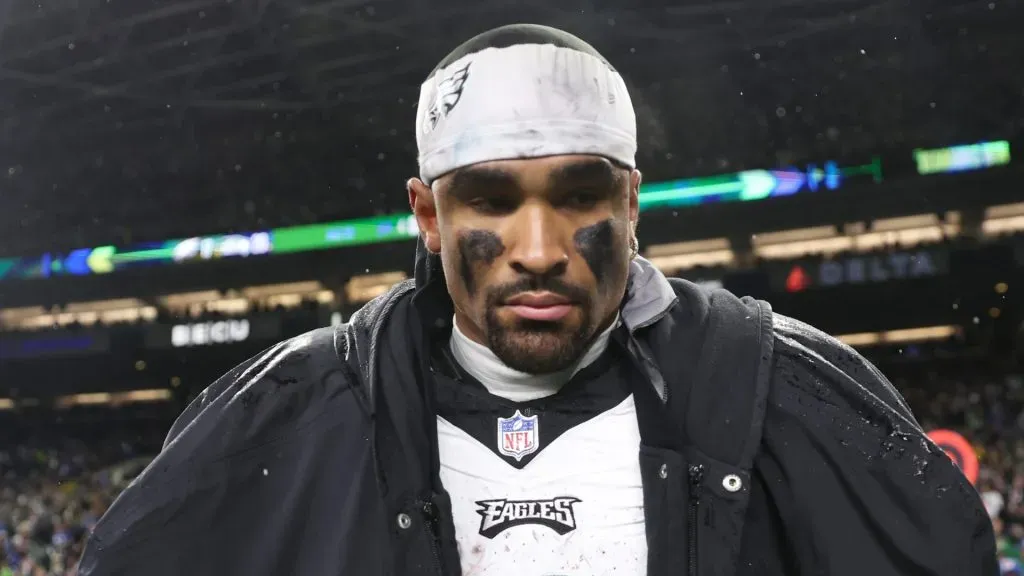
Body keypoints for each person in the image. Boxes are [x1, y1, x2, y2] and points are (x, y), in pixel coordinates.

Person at [78, 24, 996, 576]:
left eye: (580, 196)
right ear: (428, 213)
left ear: (632, 202)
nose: (540, 251)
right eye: (489, 200)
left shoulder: (777, 389)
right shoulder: (290, 414)